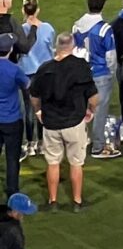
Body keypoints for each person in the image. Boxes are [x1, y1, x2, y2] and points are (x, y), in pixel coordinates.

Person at [28, 33, 94, 210]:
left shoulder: (44, 68)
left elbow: (34, 96)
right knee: (76, 163)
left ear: (56, 47)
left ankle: (53, 201)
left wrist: (39, 111)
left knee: (52, 162)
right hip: (74, 122)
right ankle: (77, 201)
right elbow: (94, 96)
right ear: (72, 47)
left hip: (51, 123)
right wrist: (90, 111)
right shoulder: (80, 66)